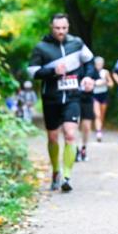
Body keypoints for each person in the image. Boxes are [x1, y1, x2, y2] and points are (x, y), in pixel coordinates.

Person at [27, 13, 94, 192]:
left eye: (64, 28)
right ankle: (56, 170)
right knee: (53, 137)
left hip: (73, 96)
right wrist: (52, 71)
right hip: (51, 97)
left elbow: (90, 62)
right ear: (51, 27)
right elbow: (32, 72)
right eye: (57, 28)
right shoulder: (41, 48)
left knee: (70, 134)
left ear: (68, 27)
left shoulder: (77, 43)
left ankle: (66, 176)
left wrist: (88, 76)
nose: (61, 32)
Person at [76, 58, 100, 161]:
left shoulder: (90, 67)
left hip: (87, 99)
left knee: (86, 126)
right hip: (73, 99)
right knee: (74, 126)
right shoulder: (70, 65)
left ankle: (83, 149)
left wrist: (93, 84)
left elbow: (99, 80)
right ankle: (75, 149)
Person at [91, 56, 114, 142]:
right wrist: (94, 83)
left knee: (102, 115)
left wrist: (106, 82)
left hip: (104, 95)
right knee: (97, 114)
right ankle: (99, 132)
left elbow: (111, 84)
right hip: (94, 95)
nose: (99, 65)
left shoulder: (105, 72)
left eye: (100, 64)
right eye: (97, 64)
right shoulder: (91, 72)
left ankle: (99, 128)